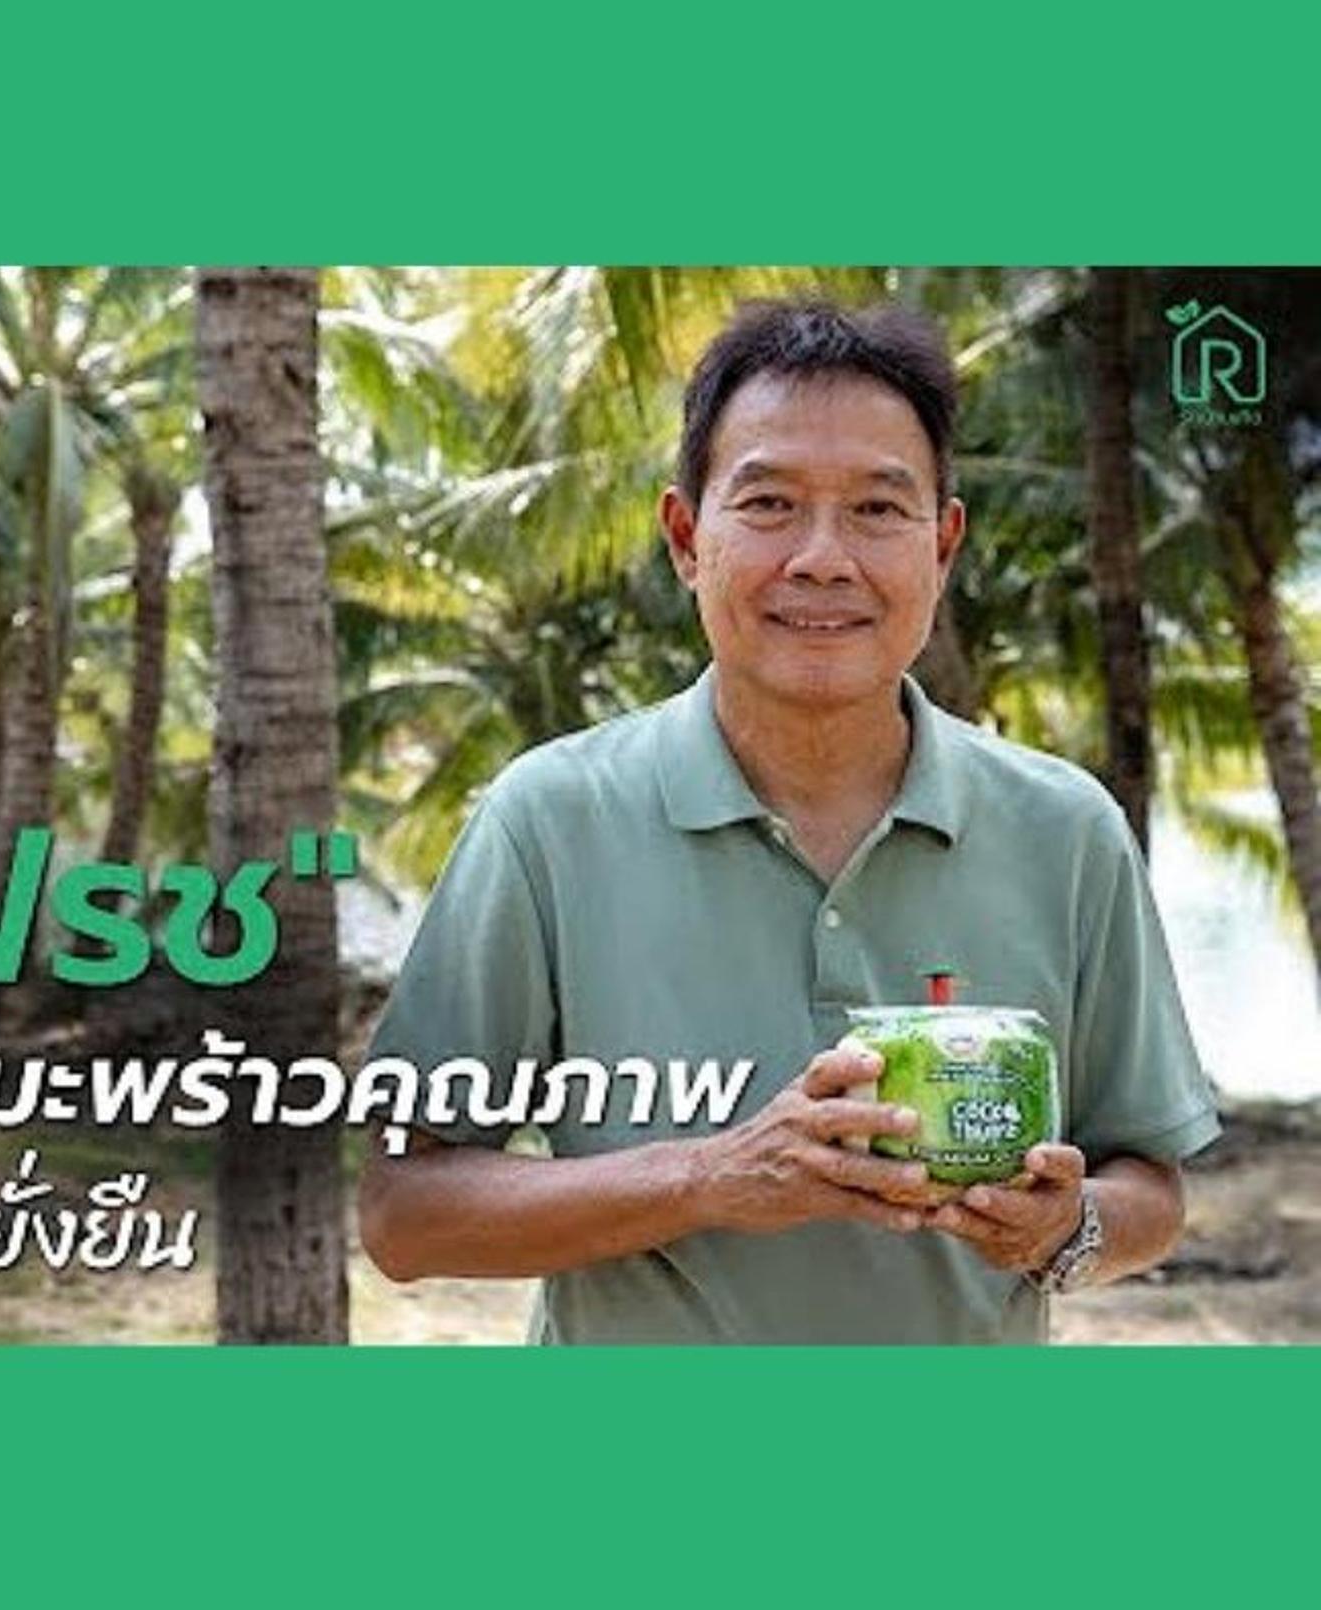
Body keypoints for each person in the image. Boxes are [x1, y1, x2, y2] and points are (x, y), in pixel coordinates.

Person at [356, 298, 1221, 1343]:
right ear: (686, 537)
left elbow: (1150, 1188)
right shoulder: (548, 819)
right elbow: (406, 1215)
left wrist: (1062, 1226)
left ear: (942, 546)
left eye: (877, 509)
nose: (822, 557)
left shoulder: (1067, 829)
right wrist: (708, 1175)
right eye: (768, 503)